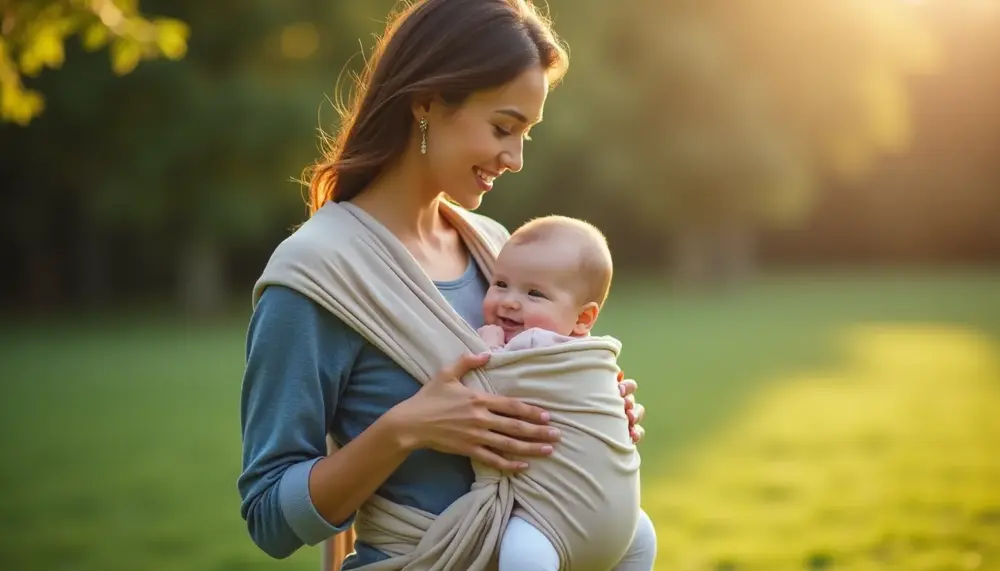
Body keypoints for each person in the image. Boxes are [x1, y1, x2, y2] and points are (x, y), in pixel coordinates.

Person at [238, 0, 648, 568]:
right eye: (503, 128)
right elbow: (269, 518)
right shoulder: (314, 275)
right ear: (427, 102)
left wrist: (591, 410)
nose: (516, 158)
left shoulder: (495, 247)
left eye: (525, 134)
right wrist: (406, 428)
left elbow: (538, 386)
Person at [476, 215, 658, 571]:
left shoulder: (532, 346)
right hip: (627, 523)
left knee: (522, 558)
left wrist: (488, 349)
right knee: (643, 542)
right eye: (500, 284)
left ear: (583, 319)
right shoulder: (593, 353)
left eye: (534, 293)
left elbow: (480, 386)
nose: (509, 301)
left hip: (549, 523)